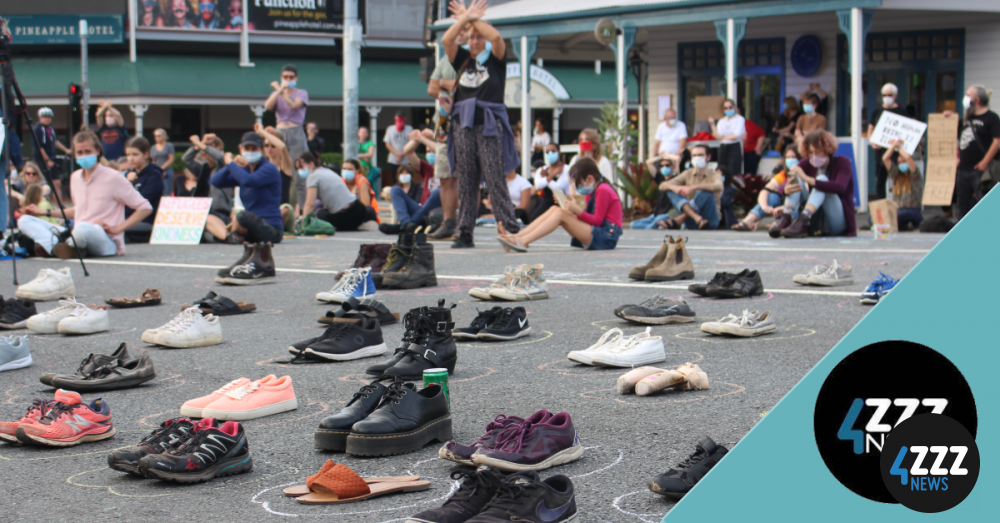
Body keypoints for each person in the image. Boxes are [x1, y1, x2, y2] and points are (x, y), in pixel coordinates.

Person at [444, 0, 522, 249]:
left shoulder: (496, 59)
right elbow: (447, 40)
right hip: (463, 124)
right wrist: (466, 20)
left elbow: (496, 36)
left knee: (494, 175)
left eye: (479, 37)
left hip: (489, 124)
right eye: (471, 37)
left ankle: (509, 226)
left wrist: (471, 19)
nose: (475, 40)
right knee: (466, 178)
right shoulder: (463, 60)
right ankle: (465, 231)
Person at [18, 130, 153, 258]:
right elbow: (79, 211)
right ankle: (57, 248)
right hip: (78, 232)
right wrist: (44, 212)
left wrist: (118, 229)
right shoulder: (75, 177)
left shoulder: (113, 177)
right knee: (24, 220)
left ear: (97, 151)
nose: (84, 155)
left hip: (105, 239)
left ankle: (67, 246)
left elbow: (145, 207)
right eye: (80, 152)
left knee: (82, 228)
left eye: (87, 151)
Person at [497, 157, 622, 251]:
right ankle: (517, 236)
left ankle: (523, 241)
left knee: (560, 215)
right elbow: (590, 219)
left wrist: (576, 210)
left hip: (606, 237)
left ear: (589, 179)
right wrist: (571, 208)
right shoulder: (594, 190)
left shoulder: (603, 190)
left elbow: (597, 221)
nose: (577, 187)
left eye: (577, 183)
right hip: (600, 233)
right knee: (555, 209)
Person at [770, 130, 856, 238]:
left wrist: (810, 180)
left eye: (818, 151)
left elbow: (840, 187)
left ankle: (802, 220)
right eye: (811, 152)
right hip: (816, 219)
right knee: (797, 178)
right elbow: (785, 183)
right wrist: (785, 189)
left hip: (837, 221)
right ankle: (786, 218)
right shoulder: (806, 163)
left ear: (827, 149)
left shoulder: (843, 162)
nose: (814, 156)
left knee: (822, 179)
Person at [209, 131, 284, 244]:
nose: (250, 152)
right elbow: (216, 181)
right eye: (247, 148)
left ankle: (233, 235)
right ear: (240, 149)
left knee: (242, 215)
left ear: (262, 150)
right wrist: (233, 164)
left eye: (254, 149)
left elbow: (248, 181)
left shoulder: (269, 169)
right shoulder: (245, 170)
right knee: (210, 215)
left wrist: (230, 163)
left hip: (270, 227)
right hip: (248, 226)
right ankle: (229, 236)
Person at [427, 32, 463, 240]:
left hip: (466, 121)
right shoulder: (444, 60)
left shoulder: (472, 59)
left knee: (467, 177)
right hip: (443, 122)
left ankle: (466, 224)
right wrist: (450, 85)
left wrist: (444, 83)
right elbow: (432, 88)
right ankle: (448, 224)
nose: (459, 37)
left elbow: (467, 90)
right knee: (444, 176)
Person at [264, 64, 309, 210]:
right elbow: (267, 106)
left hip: (295, 131)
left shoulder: (301, 92)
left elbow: (294, 105)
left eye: (291, 77)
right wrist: (279, 91)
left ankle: (302, 210)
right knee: (275, 169)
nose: (288, 80)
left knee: (298, 174)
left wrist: (280, 89)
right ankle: (276, 206)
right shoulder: (278, 93)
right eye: (285, 77)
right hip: (279, 131)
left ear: (296, 78)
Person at [951, 85, 1000, 220]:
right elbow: (958, 140)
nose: (965, 98)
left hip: (981, 170)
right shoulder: (966, 119)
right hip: (964, 169)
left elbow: (997, 141)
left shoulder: (991, 118)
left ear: (977, 100)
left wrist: (985, 162)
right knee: (962, 204)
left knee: (984, 202)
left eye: (968, 95)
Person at [381, 129, 442, 233]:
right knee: (395, 190)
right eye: (427, 151)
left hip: (440, 213)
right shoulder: (428, 169)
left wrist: (424, 139)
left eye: (432, 151)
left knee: (438, 192)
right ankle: (407, 224)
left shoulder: (451, 169)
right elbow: (407, 151)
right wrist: (418, 138)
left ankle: (403, 227)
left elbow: (442, 150)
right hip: (422, 213)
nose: (430, 154)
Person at [733, 145, 802, 231]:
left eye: (793, 157)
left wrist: (785, 207)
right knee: (772, 196)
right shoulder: (783, 175)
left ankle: (784, 222)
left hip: (797, 208)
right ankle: (749, 221)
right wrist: (765, 206)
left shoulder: (805, 174)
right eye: (788, 157)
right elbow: (765, 190)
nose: (790, 160)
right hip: (782, 209)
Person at [656, 144, 723, 230]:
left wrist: (693, 187)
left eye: (700, 155)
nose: (697, 158)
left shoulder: (715, 174)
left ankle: (679, 220)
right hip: (691, 221)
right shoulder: (687, 173)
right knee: (670, 190)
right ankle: (697, 218)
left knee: (705, 192)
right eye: (694, 155)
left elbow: (719, 186)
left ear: (708, 157)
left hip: (710, 220)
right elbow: (662, 185)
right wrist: (676, 188)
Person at [297, 152, 368, 231]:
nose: (299, 171)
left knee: (320, 216)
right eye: (297, 168)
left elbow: (310, 204)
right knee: (323, 212)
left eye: (301, 167)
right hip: (360, 210)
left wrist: (303, 224)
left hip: (347, 215)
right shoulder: (325, 170)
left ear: (311, 164)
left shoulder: (312, 176)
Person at [868, 83, 909, 201]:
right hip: (881, 151)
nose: (887, 97)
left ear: (895, 96)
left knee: (898, 178)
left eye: (889, 95)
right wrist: (872, 141)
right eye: (884, 95)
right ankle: (882, 204)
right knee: (880, 179)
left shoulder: (901, 111)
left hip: (896, 152)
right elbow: (870, 129)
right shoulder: (877, 111)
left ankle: (900, 203)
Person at [121, 136, 165, 240]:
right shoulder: (128, 174)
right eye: (128, 155)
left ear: (145, 154)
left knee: (116, 231)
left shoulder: (154, 174)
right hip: (124, 217)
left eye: (135, 154)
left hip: (145, 221)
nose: (131, 158)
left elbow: (141, 201)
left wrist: (128, 184)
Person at [882, 139, 924, 231]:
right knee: (875, 216)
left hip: (913, 210)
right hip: (899, 210)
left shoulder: (915, 176)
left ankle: (897, 224)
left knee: (899, 215)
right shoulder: (897, 175)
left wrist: (898, 147)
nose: (901, 161)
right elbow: (885, 159)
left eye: (903, 161)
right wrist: (893, 147)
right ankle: (901, 226)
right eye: (900, 161)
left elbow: (908, 158)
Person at [631, 156, 681, 229]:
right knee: (633, 224)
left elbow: (677, 159)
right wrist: (660, 157)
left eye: (667, 165)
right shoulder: (660, 178)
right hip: (656, 214)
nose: (665, 167)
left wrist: (666, 154)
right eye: (662, 166)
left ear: (672, 166)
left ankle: (656, 226)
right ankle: (657, 226)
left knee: (651, 226)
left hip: (667, 214)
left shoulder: (677, 179)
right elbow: (649, 162)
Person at [254, 124, 294, 209]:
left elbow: (282, 147)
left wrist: (262, 131)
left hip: (282, 209)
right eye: (266, 145)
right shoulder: (261, 165)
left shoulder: (285, 165)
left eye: (273, 146)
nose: (269, 148)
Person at [530, 143, 572, 222]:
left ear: (559, 152)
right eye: (548, 152)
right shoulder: (542, 169)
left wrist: (545, 178)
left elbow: (558, 186)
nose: (550, 154)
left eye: (553, 151)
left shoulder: (566, 169)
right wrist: (551, 176)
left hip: (563, 202)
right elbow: (538, 185)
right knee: (534, 218)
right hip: (548, 201)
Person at [708, 99, 745, 179]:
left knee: (733, 170)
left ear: (734, 107)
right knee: (721, 169)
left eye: (730, 107)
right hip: (723, 147)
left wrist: (723, 138)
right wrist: (712, 124)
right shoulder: (722, 121)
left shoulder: (740, 119)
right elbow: (717, 136)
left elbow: (736, 135)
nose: (728, 110)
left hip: (734, 146)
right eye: (726, 108)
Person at [646, 108, 688, 175]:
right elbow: (656, 144)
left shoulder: (681, 125)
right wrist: (656, 157)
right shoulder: (661, 126)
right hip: (662, 157)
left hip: (675, 157)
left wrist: (677, 159)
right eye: (671, 118)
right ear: (665, 118)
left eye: (674, 118)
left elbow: (682, 145)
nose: (673, 120)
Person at [32, 107, 71, 177]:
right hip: (42, 160)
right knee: (45, 179)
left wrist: (66, 150)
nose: (47, 119)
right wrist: (47, 160)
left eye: (49, 117)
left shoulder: (50, 128)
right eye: (45, 117)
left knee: (57, 180)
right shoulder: (37, 129)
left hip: (52, 158)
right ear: (40, 118)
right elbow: (39, 147)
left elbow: (55, 141)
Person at [341, 159, 380, 224]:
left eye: (350, 169)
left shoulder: (361, 181)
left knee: (369, 210)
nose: (346, 171)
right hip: (345, 212)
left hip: (360, 213)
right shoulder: (341, 182)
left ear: (357, 171)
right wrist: (351, 195)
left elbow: (365, 206)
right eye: (344, 169)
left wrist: (352, 198)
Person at [383, 110, 413, 188]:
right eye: (398, 117)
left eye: (401, 117)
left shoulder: (409, 129)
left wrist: (402, 154)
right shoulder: (390, 129)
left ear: (405, 118)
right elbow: (387, 143)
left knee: (406, 177)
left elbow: (411, 142)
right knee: (394, 177)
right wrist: (397, 154)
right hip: (393, 159)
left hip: (406, 159)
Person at [150, 128, 175, 196]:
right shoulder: (153, 148)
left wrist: (162, 168)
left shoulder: (169, 146)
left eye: (159, 136)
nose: (157, 138)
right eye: (155, 136)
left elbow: (171, 159)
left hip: (167, 171)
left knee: (167, 189)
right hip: (156, 171)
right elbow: (153, 160)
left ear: (164, 136)